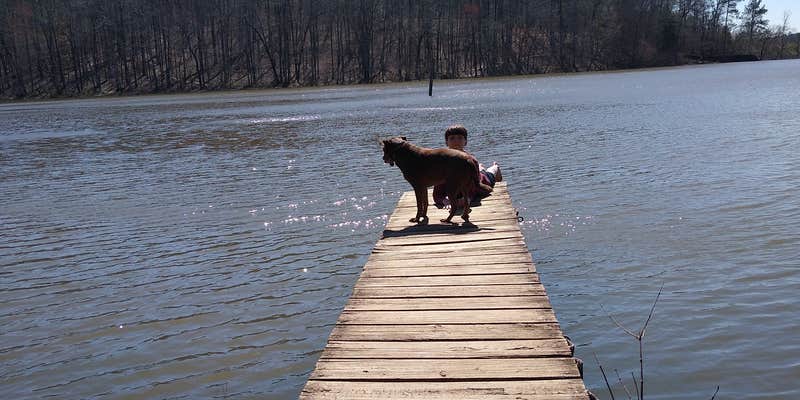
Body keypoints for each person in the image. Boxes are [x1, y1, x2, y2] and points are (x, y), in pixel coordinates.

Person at [433, 125, 502, 210]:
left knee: (490, 173)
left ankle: (495, 166)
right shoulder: (441, 163)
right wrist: (444, 200)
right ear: (446, 142)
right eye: (452, 138)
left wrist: (468, 198)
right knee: (479, 169)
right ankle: (480, 167)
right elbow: (437, 192)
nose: (456, 141)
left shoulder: (470, 161)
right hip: (463, 181)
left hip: (480, 179)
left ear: (465, 142)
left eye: (460, 138)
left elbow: (475, 187)